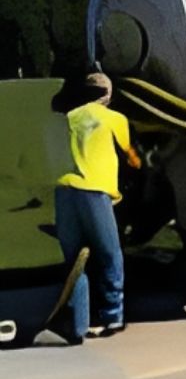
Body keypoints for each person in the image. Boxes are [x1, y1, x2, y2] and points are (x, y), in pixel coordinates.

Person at [51, 72, 141, 343]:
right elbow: (131, 156)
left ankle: (79, 324)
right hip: (95, 192)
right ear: (108, 95)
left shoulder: (70, 117)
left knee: (74, 260)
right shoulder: (114, 118)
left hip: (65, 191)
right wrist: (139, 163)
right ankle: (112, 316)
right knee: (109, 255)